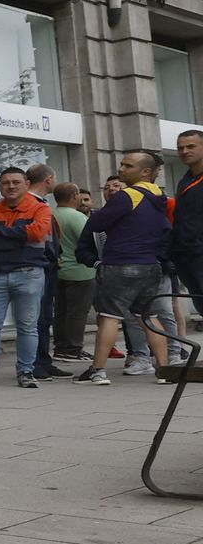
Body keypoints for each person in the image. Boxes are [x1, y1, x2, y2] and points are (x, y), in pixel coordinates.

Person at [75, 150, 172, 385]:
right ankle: (165, 370)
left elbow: (97, 222)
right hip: (151, 265)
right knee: (148, 316)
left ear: (145, 172)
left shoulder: (128, 195)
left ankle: (98, 371)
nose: (121, 169)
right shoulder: (159, 196)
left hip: (121, 262)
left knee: (109, 317)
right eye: (122, 164)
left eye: (128, 166)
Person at [0, 167, 54, 389]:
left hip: (29, 274)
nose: (11, 186)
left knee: (27, 326)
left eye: (16, 182)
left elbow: (37, 233)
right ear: (0, 186)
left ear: (26, 183)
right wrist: (19, 234)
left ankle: (26, 372)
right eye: (6, 183)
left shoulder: (40, 209)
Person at [22, 163, 70, 381]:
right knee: (38, 316)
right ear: (48, 179)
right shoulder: (31, 204)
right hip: (40, 265)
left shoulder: (40, 203)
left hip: (48, 264)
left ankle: (43, 359)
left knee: (44, 315)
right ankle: (35, 362)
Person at [51, 182, 96, 360]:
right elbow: (89, 242)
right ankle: (73, 348)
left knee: (61, 311)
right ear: (74, 195)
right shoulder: (77, 217)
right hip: (81, 272)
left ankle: (61, 346)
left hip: (59, 270)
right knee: (77, 313)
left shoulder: (50, 214)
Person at [168, 129, 203, 310]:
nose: (184, 151)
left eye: (191, 146)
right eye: (180, 148)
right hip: (186, 255)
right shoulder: (185, 180)